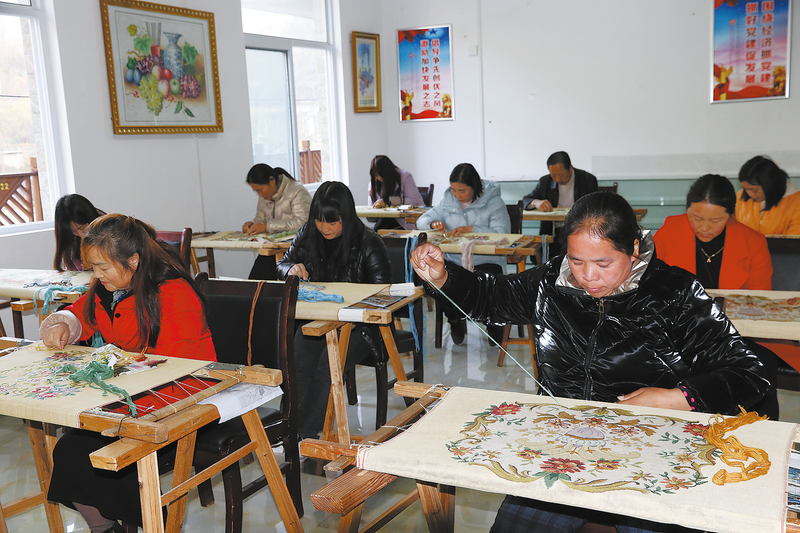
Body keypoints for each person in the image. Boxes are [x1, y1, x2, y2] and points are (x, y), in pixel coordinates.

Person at [411, 191, 769, 533]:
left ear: (633, 249)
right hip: (561, 449)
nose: (588, 276)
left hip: (650, 454)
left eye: (603, 263)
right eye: (577, 261)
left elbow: (749, 373)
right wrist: (443, 276)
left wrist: (679, 398)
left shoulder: (674, 293)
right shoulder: (551, 281)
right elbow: (488, 297)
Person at [39, 214, 216, 533]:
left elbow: (174, 370)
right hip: (136, 397)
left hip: (182, 400)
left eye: (102, 267)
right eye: (93, 267)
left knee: (95, 451)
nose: (96, 275)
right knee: (70, 450)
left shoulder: (174, 294)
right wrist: (64, 323)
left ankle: (148, 524)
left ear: (133, 261)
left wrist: (114, 393)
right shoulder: (110, 288)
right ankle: (107, 528)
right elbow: (83, 313)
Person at [276, 181, 391, 439]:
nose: (324, 228)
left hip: (362, 328)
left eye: (332, 221)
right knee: (296, 361)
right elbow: (283, 263)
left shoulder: (369, 242)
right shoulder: (308, 234)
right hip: (320, 321)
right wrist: (291, 269)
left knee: (327, 366)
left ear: (346, 216)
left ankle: (305, 432)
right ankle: (287, 428)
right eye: (319, 220)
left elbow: (383, 295)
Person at [416, 163, 511, 345]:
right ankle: (455, 320)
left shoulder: (494, 202)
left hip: (487, 259)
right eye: (453, 190)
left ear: (474, 187)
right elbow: (422, 220)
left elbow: (503, 232)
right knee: (439, 280)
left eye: (462, 190)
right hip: (456, 259)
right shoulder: (448, 201)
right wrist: (433, 223)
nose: (457, 195)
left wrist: (472, 229)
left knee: (487, 281)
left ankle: (492, 322)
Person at [655, 174, 772, 290]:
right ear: (687, 210)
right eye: (697, 218)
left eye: (715, 221)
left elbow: (760, 296)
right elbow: (651, 281)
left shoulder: (753, 243)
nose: (704, 228)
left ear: (731, 215)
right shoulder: (670, 229)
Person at [242, 163, 312, 280]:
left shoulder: (297, 191)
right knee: (256, 280)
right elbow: (260, 220)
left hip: (296, 249)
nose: (260, 194)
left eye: (260, 190)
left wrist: (266, 226)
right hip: (274, 248)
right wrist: (252, 225)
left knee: (272, 273)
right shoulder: (264, 197)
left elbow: (303, 222)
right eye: (257, 192)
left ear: (272, 180)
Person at [522, 151, 598, 256]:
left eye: (561, 175)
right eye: (553, 175)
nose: (557, 179)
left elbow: (595, 207)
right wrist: (536, 202)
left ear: (570, 168)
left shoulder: (587, 180)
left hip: (580, 229)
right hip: (553, 231)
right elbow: (525, 200)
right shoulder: (545, 182)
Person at [735, 155, 800, 235]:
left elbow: (794, 240)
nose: (749, 194)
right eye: (745, 189)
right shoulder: (739, 198)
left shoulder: (796, 203)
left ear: (769, 185)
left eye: (754, 190)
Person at [367, 155, 425, 230]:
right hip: (385, 218)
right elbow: (371, 209)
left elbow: (414, 201)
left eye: (378, 175)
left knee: (378, 230)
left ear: (386, 173)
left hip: (405, 221)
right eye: (375, 176)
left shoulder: (405, 177)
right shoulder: (374, 182)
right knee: (376, 230)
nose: (377, 178)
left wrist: (388, 201)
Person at [54, 194, 105, 271]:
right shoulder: (71, 240)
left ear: (90, 219)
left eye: (82, 228)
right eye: (74, 231)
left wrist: (93, 268)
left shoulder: (109, 230)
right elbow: (71, 269)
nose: (80, 234)